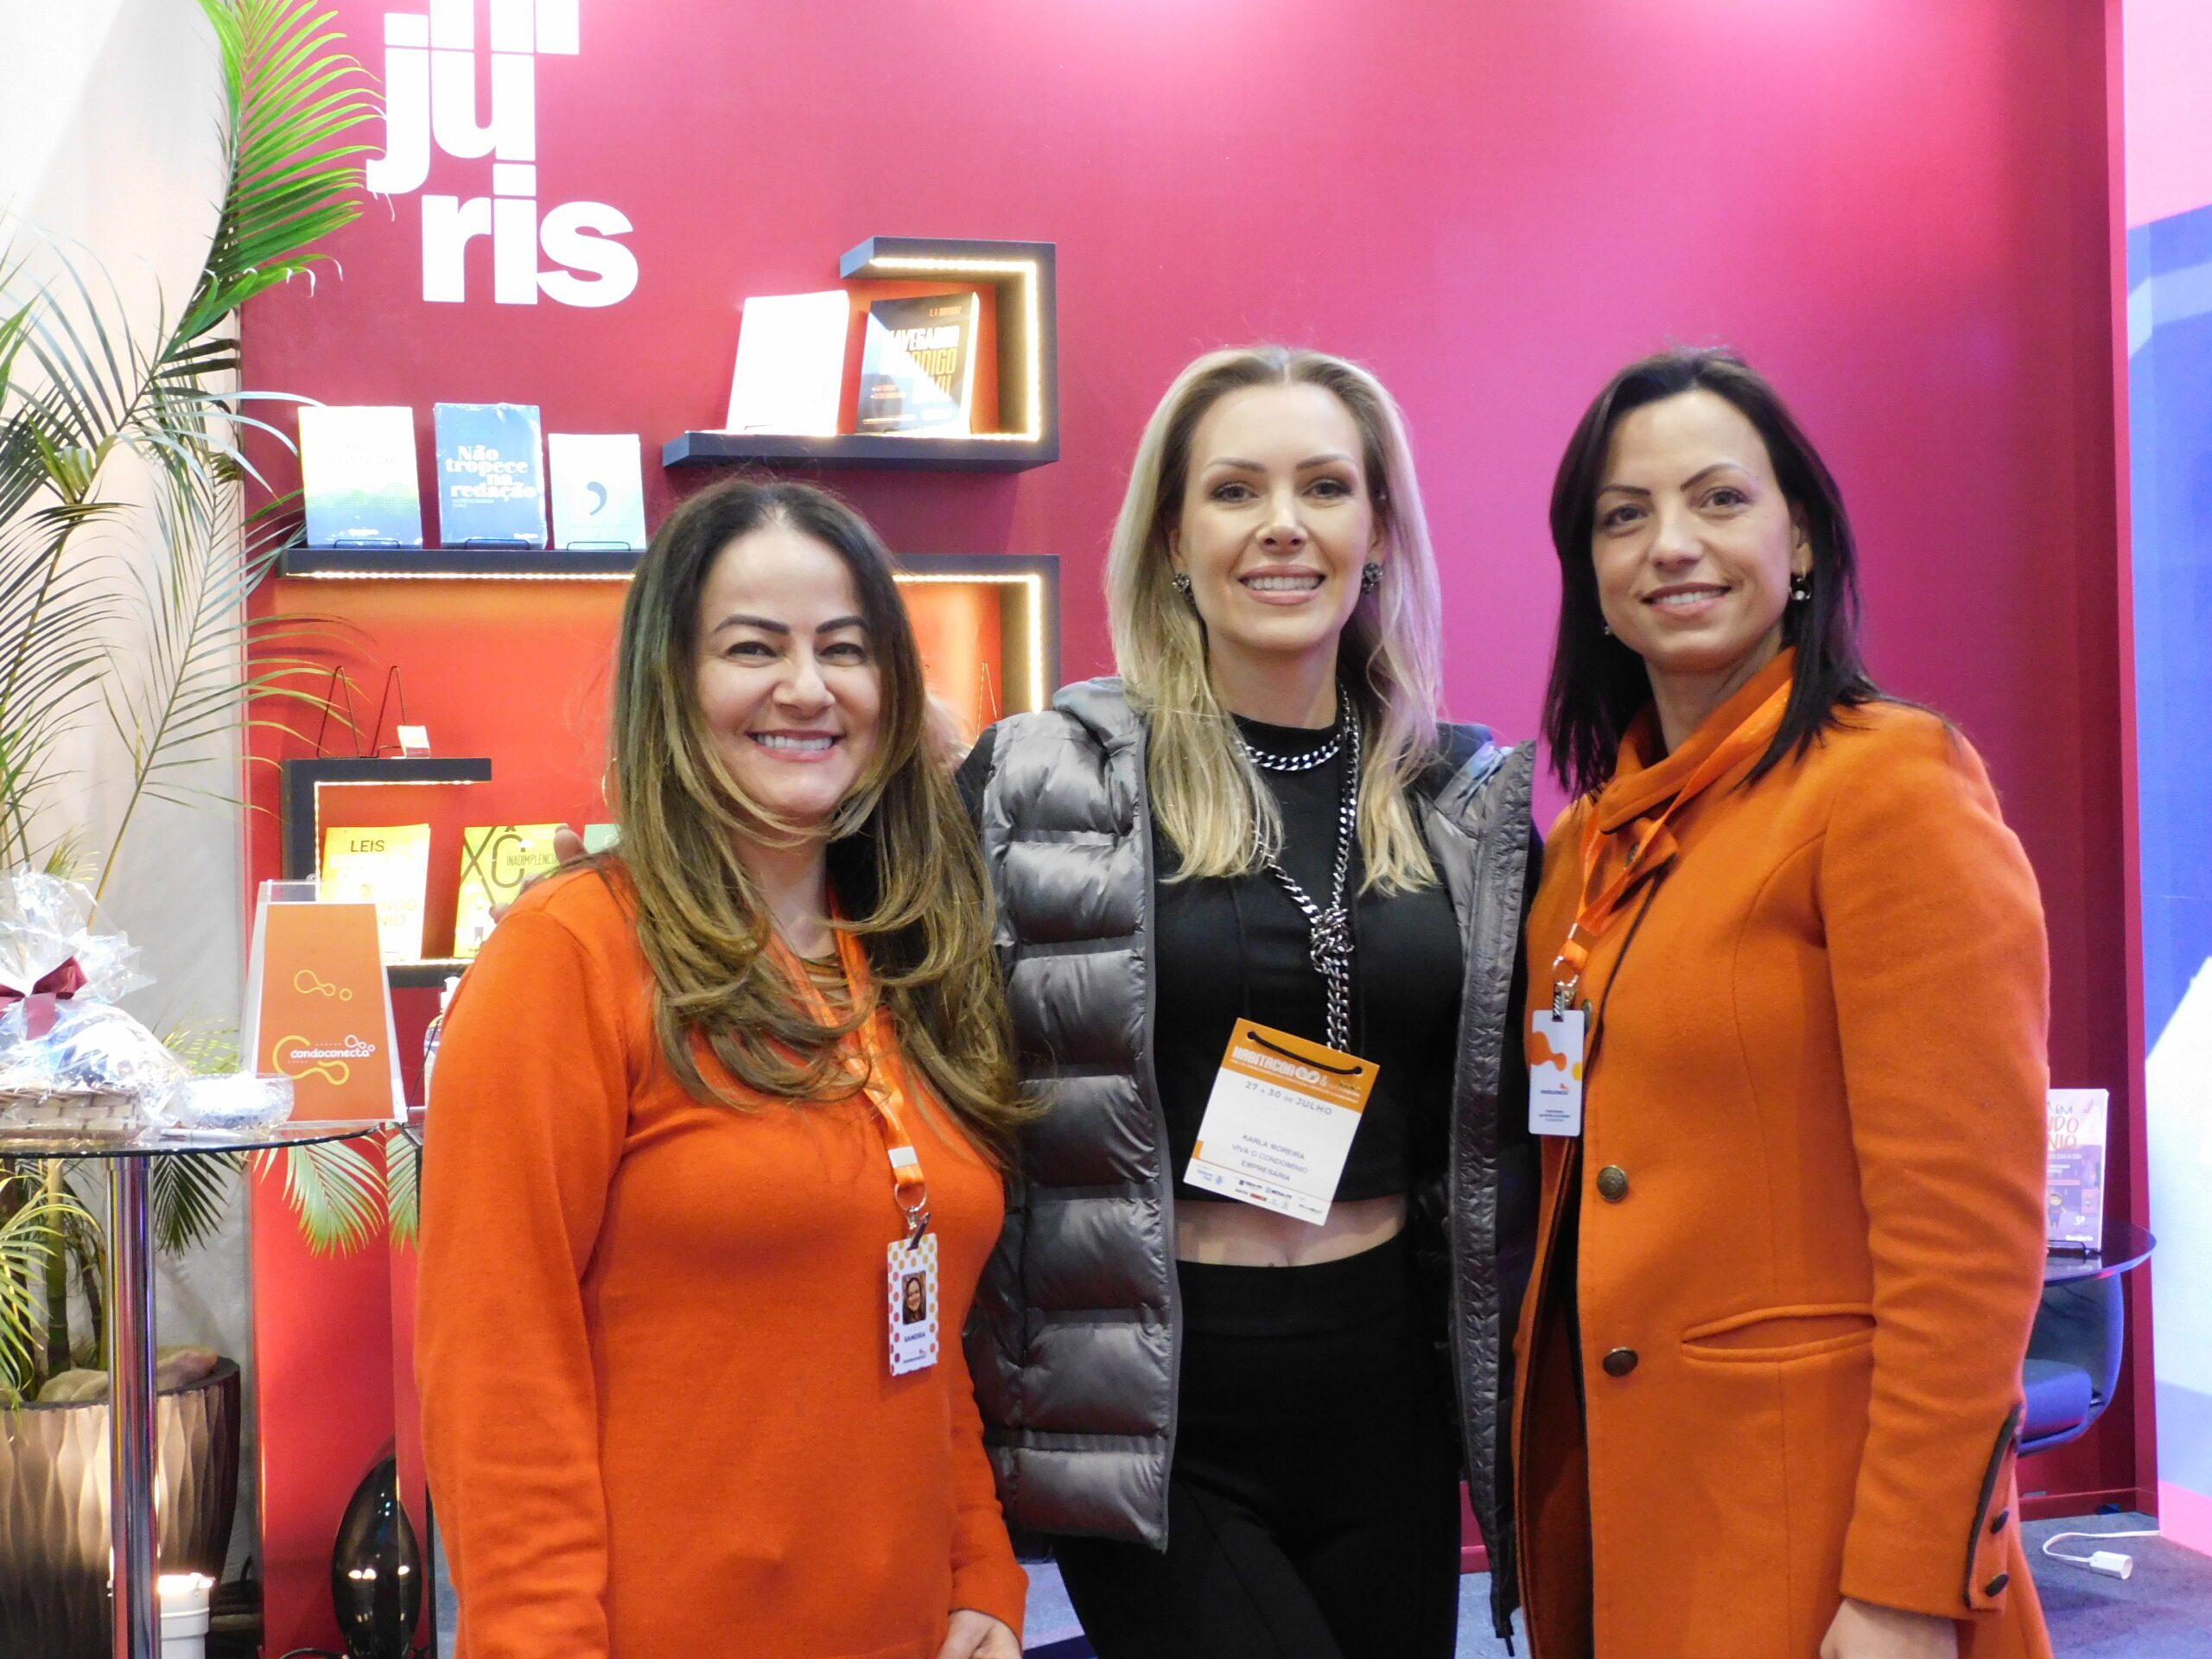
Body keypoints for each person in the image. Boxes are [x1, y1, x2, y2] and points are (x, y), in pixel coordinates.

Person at [957, 346, 1540, 1659]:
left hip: (1390, 1395)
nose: (1283, 524)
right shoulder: (1047, 785)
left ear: (1377, 530)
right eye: (1235, 491)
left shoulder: (1463, 799)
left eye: (1325, 487)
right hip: (1154, 1409)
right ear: (1173, 538)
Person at [416, 479, 1029, 1659]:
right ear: (673, 682)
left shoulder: (903, 959)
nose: (807, 687)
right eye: (755, 648)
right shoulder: (569, 956)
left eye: (844, 649)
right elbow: (499, 1369)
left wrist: (980, 1573)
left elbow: (917, 1319)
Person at [1516, 347, 2052, 1659]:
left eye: (1719, 499)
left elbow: (1968, 1242)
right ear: (1592, 571)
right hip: (1631, 1514)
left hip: (1816, 1531)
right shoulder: (1587, 848)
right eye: (1625, 516)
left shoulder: (1890, 786)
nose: (1672, 545)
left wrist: (1908, 1585)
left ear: (1799, 536)